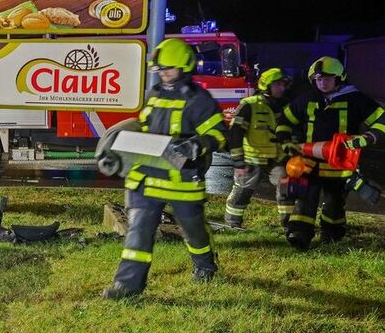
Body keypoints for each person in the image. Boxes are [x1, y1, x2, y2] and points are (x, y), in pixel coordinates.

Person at [103, 38, 227, 300]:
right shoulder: (154, 94)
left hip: (181, 181)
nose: (164, 73)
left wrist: (196, 144)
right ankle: (127, 287)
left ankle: (205, 266)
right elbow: (145, 128)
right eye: (161, 69)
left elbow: (219, 134)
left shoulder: (199, 100)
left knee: (193, 229)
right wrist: (121, 146)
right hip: (146, 177)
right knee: (138, 232)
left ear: (185, 67)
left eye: (169, 68)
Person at [276, 56, 385, 249]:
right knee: (305, 199)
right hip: (310, 162)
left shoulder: (356, 99)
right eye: (318, 79)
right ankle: (299, 235)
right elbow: (285, 120)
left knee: (334, 203)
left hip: (340, 164)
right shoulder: (307, 99)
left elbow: (381, 120)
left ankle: (331, 235)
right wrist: (286, 141)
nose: (322, 83)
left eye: (327, 78)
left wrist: (368, 137)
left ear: (339, 78)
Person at [224, 68, 293, 228]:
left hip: (278, 158)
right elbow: (235, 134)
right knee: (242, 193)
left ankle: (288, 225)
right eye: (277, 84)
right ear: (266, 85)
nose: (281, 88)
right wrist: (238, 162)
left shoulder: (286, 106)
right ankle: (233, 225)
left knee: (287, 190)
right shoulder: (249, 105)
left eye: (283, 84)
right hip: (251, 158)